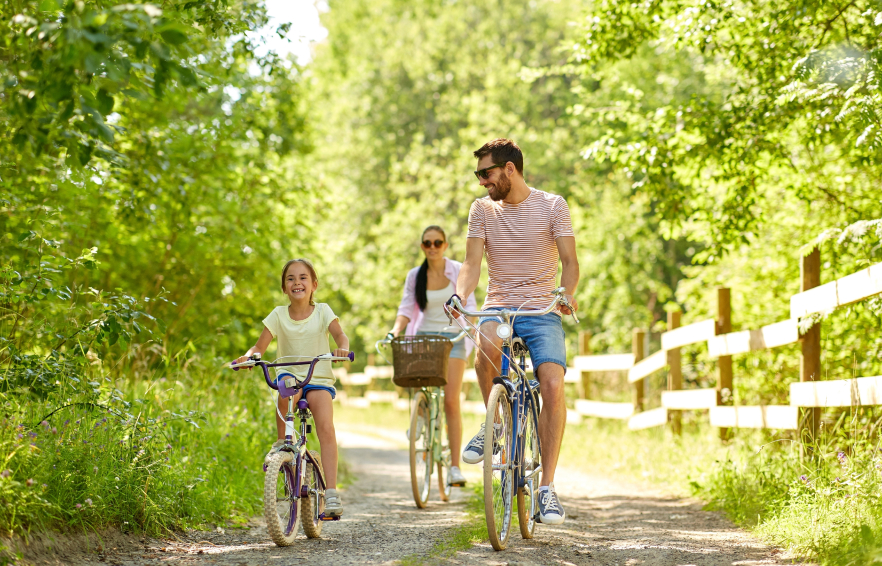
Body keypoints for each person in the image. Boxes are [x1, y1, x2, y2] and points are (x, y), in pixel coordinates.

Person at [446, 138, 580, 525]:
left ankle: (547, 489)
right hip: (499, 305)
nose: (482, 182)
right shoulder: (481, 210)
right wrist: (460, 294)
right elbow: (471, 264)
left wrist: (565, 295)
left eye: (486, 174)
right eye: (479, 175)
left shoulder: (553, 205)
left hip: (542, 310)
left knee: (552, 384)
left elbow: (570, 261)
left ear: (509, 169)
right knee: (484, 344)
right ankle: (497, 423)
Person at [234, 258, 350, 518]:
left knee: (326, 426)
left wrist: (342, 346)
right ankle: (282, 444)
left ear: (314, 285)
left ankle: (331, 492)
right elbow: (258, 347)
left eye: (303, 278)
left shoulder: (323, 311)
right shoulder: (277, 315)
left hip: (317, 375)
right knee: (284, 390)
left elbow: (340, 335)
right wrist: (249, 357)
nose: (297, 282)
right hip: (290, 373)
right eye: (290, 279)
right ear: (284, 288)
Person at [389, 225, 478, 488]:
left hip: (453, 339)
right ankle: (420, 416)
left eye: (437, 243)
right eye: (427, 243)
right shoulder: (415, 276)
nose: (432, 248)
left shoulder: (457, 271)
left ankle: (454, 468)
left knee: (451, 401)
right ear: (422, 247)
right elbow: (406, 306)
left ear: (445, 245)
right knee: (418, 384)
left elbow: (470, 307)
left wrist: (471, 328)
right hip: (424, 337)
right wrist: (396, 330)